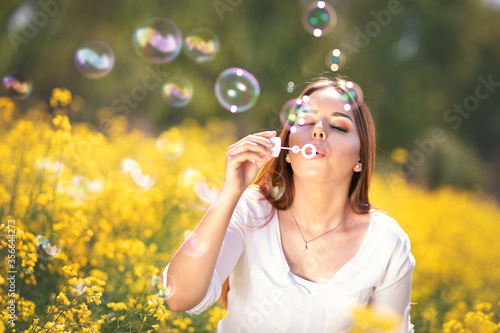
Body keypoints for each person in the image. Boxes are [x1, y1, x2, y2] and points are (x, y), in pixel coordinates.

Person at [164, 75, 416, 332]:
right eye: (306, 121)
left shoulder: (386, 243)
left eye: (339, 127)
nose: (318, 131)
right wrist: (231, 192)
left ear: (360, 158)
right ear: (286, 146)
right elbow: (179, 297)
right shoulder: (251, 210)